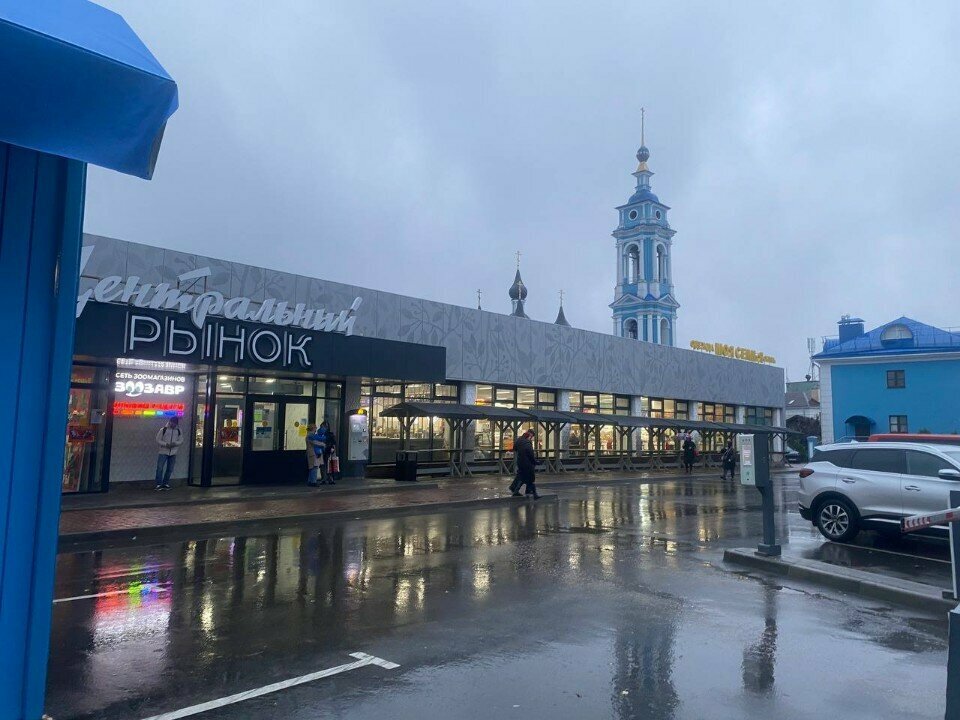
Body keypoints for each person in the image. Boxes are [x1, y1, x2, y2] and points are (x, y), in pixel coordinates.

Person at [509, 429, 541, 499]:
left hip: (520, 461)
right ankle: (531, 493)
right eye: (532, 436)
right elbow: (530, 454)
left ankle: (516, 489)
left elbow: (514, 448)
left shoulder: (519, 439)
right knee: (530, 478)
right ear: (530, 435)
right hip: (527, 463)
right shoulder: (527, 442)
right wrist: (535, 462)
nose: (531, 438)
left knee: (521, 476)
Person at [155, 416, 183, 490]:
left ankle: (165, 483)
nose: (173, 424)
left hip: (173, 452)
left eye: (175, 423)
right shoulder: (163, 430)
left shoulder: (178, 430)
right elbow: (158, 439)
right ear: (170, 422)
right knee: (160, 468)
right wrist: (166, 444)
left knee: (170, 469)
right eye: (172, 422)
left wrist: (175, 443)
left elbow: (181, 440)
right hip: (163, 452)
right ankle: (159, 484)